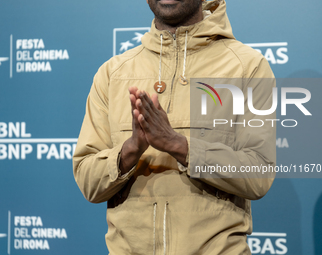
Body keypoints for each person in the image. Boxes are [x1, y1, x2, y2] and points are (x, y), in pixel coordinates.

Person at [73, 0, 276, 254]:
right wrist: (131, 149)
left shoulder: (247, 67)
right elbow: (87, 180)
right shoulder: (113, 73)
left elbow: (258, 174)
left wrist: (178, 145)